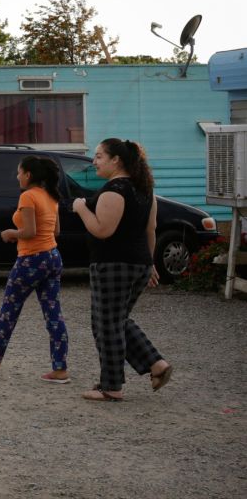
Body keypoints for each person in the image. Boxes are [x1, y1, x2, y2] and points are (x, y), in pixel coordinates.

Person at [72, 138, 173, 402]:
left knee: (107, 325)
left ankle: (111, 386)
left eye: (99, 156)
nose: (94, 161)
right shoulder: (145, 190)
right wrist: (149, 263)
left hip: (113, 264)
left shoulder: (114, 190)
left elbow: (103, 230)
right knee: (118, 321)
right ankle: (156, 364)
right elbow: (150, 229)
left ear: (116, 160)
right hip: (137, 264)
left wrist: (81, 208)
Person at [0, 156, 70, 383]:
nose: (17, 176)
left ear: (28, 175)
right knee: (53, 313)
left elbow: (29, 231)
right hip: (53, 257)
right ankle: (60, 368)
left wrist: (10, 233)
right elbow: (55, 231)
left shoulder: (28, 196)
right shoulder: (51, 197)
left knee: (9, 309)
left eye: (19, 172)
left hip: (31, 260)